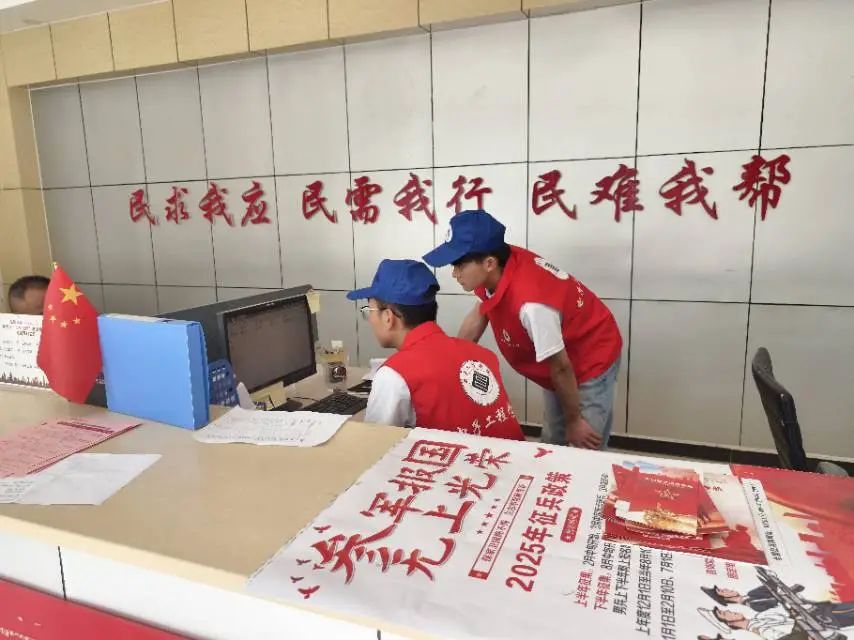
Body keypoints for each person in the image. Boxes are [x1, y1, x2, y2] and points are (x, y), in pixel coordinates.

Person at [423, 210, 622, 450]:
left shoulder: (532, 305)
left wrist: (574, 421)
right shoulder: (496, 267)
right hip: (558, 360)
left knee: (585, 445)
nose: (454, 273)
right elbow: (480, 313)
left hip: (591, 355)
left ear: (489, 263)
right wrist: (451, 364)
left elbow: (560, 366)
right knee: (553, 438)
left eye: (459, 265)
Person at [346, 258, 524, 440]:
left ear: (388, 317)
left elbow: (373, 444)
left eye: (369, 311)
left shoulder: (394, 375)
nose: (370, 320)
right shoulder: (483, 355)